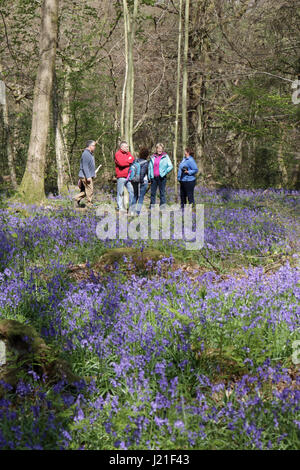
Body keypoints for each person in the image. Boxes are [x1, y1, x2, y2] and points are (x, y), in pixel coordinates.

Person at [148, 143, 173, 209]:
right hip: (153, 178)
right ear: (156, 149)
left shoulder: (165, 156)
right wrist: (149, 177)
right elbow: (150, 167)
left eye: (161, 149)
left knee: (162, 193)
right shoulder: (152, 157)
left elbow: (170, 166)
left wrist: (165, 172)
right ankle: (152, 207)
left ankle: (162, 206)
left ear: (162, 149)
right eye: (158, 148)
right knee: (153, 193)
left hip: (162, 177)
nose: (160, 150)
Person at [74, 140, 96, 208]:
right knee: (90, 190)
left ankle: (76, 199)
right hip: (85, 176)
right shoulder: (86, 154)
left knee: (86, 190)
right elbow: (85, 166)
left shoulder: (89, 153)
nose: (95, 147)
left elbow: (90, 166)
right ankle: (88, 204)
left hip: (87, 175)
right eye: (94, 146)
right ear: (90, 146)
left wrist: (93, 173)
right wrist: (88, 176)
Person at [115, 141, 134, 213]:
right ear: (122, 147)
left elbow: (132, 159)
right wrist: (128, 161)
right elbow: (121, 163)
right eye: (126, 147)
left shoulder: (128, 153)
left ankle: (131, 207)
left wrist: (127, 160)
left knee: (131, 191)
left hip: (128, 176)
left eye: (128, 146)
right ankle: (120, 208)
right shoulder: (118, 154)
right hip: (121, 176)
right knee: (120, 192)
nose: (127, 148)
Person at [130, 147, 150, 215]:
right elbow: (142, 173)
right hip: (142, 181)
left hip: (134, 180)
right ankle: (137, 212)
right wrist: (142, 181)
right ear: (147, 155)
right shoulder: (145, 162)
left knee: (135, 195)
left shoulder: (135, 160)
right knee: (141, 197)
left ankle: (132, 211)